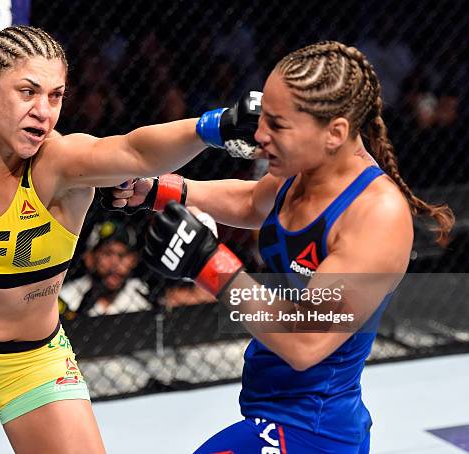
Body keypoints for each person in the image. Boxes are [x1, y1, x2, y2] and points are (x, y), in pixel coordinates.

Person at [0, 25, 259, 452]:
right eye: (28, 91)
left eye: (55, 95)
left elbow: (135, 152)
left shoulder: (59, 162)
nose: (43, 112)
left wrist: (213, 126)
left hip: (33, 363)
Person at [106, 41, 454, 453]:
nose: (259, 136)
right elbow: (252, 202)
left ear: (335, 133)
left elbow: (306, 342)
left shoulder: (375, 217)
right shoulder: (305, 169)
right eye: (264, 118)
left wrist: (208, 263)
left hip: (314, 432)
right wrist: (157, 191)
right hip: (276, 414)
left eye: (277, 124)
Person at [59, 220, 151, 317]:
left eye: (122, 255)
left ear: (133, 260)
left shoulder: (142, 295)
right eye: (107, 253)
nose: (115, 263)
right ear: (89, 258)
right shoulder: (66, 297)